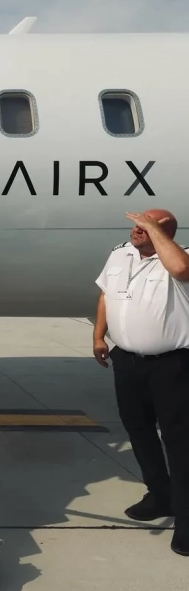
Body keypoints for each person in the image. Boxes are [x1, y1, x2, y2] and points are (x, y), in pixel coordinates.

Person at [93, 208, 189, 556]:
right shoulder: (120, 255)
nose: (137, 230)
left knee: (179, 440)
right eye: (137, 225)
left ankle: (186, 520)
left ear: (166, 233)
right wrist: (99, 336)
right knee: (138, 429)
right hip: (127, 362)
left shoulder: (180, 257)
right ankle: (160, 494)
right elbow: (106, 294)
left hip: (172, 365)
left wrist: (155, 230)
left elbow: (181, 270)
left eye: (146, 227)